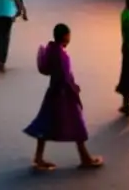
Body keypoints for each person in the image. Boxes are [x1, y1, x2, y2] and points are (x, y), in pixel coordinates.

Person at [24, 23, 103, 173]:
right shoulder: (62, 55)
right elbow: (65, 77)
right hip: (64, 94)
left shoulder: (51, 50)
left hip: (53, 92)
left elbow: (47, 69)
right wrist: (74, 90)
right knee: (77, 124)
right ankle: (85, 158)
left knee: (45, 123)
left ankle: (39, 157)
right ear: (66, 36)